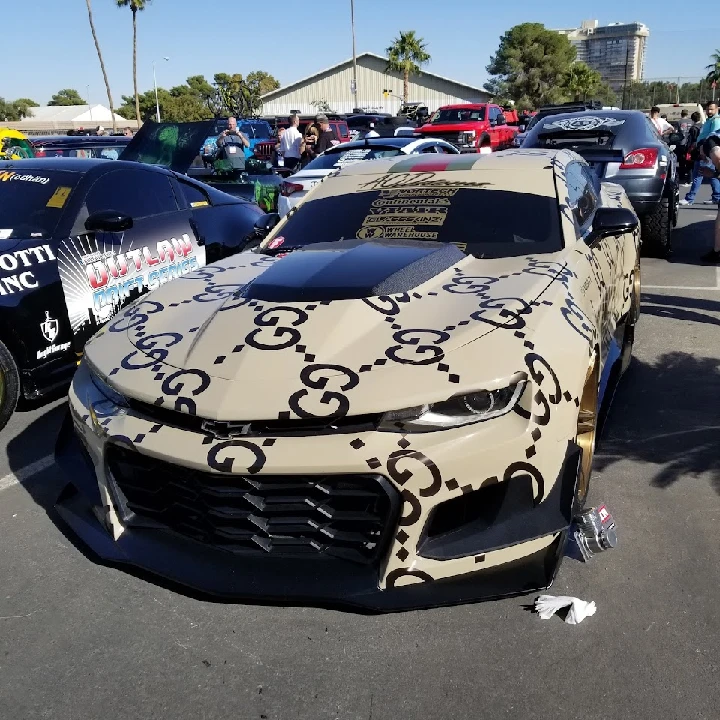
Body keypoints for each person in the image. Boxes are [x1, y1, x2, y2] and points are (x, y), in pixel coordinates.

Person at [680, 102, 720, 206]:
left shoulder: (716, 121)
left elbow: (713, 137)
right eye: (707, 109)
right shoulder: (708, 121)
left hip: (707, 152)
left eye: (711, 109)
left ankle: (690, 198)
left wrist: (704, 151)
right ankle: (717, 197)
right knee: (712, 175)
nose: (709, 111)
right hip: (704, 151)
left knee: (698, 174)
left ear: (717, 109)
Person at [698, 134, 720, 262]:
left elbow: (717, 157)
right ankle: (717, 251)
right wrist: (714, 174)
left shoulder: (710, 144)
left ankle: (717, 252)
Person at [675, 109, 694, 185]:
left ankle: (682, 176)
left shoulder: (679, 122)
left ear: (681, 114)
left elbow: (676, 132)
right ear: (687, 114)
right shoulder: (691, 122)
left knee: (681, 161)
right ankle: (690, 176)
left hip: (681, 143)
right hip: (689, 143)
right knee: (689, 161)